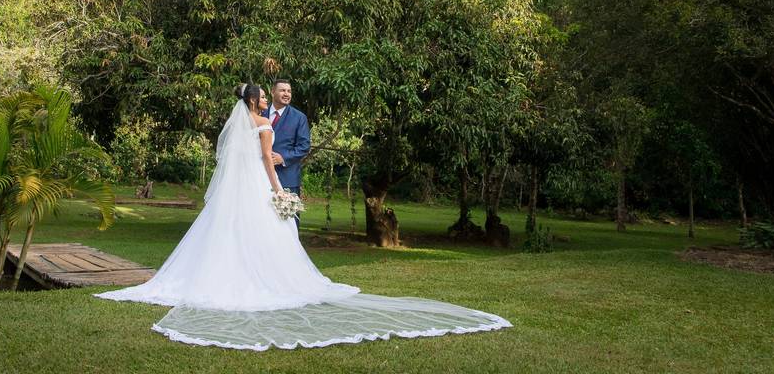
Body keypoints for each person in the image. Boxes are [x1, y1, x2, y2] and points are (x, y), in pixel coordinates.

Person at [94, 83, 511, 350]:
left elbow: (263, 157)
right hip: (265, 185)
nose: (271, 99)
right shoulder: (262, 124)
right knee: (268, 237)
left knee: (230, 232)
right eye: (267, 94)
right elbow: (266, 162)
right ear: (261, 99)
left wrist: (277, 179)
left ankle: (227, 274)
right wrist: (279, 192)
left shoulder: (246, 124)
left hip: (241, 191)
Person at [263, 79, 310, 225]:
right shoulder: (260, 112)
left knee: (289, 223)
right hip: (260, 175)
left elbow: (304, 146)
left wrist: (283, 157)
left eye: (289, 91)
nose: (286, 94)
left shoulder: (299, 117)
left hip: (287, 177)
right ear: (272, 92)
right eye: (282, 90)